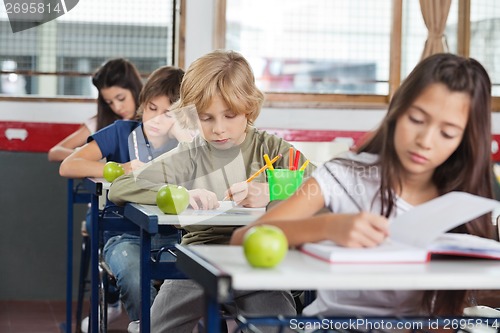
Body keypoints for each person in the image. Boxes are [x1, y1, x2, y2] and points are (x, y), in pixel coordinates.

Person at [231, 53, 498, 319]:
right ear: (397, 109)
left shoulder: (462, 200)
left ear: (465, 139)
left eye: (447, 133)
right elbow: (243, 238)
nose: (425, 140)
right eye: (416, 120)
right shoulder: (346, 175)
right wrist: (329, 227)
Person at [107, 49, 315, 333]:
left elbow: (327, 188)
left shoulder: (273, 149)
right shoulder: (191, 154)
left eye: (230, 115)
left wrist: (271, 193)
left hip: (257, 258)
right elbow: (121, 187)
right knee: (155, 329)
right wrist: (179, 194)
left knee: (281, 328)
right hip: (199, 259)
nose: (219, 129)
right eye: (206, 118)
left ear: (249, 107)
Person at [60, 65, 191, 333]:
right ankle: (152, 327)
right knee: (133, 273)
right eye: (152, 109)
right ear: (143, 104)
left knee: (202, 276)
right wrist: (121, 169)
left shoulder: (188, 144)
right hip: (125, 237)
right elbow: (68, 165)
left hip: (178, 237)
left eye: (168, 114)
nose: (155, 119)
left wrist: (185, 137)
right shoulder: (121, 132)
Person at [48, 58, 143, 162]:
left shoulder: (153, 120)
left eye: (121, 98)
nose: (117, 107)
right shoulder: (99, 123)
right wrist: (92, 155)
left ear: (134, 89)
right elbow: (55, 152)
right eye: (109, 102)